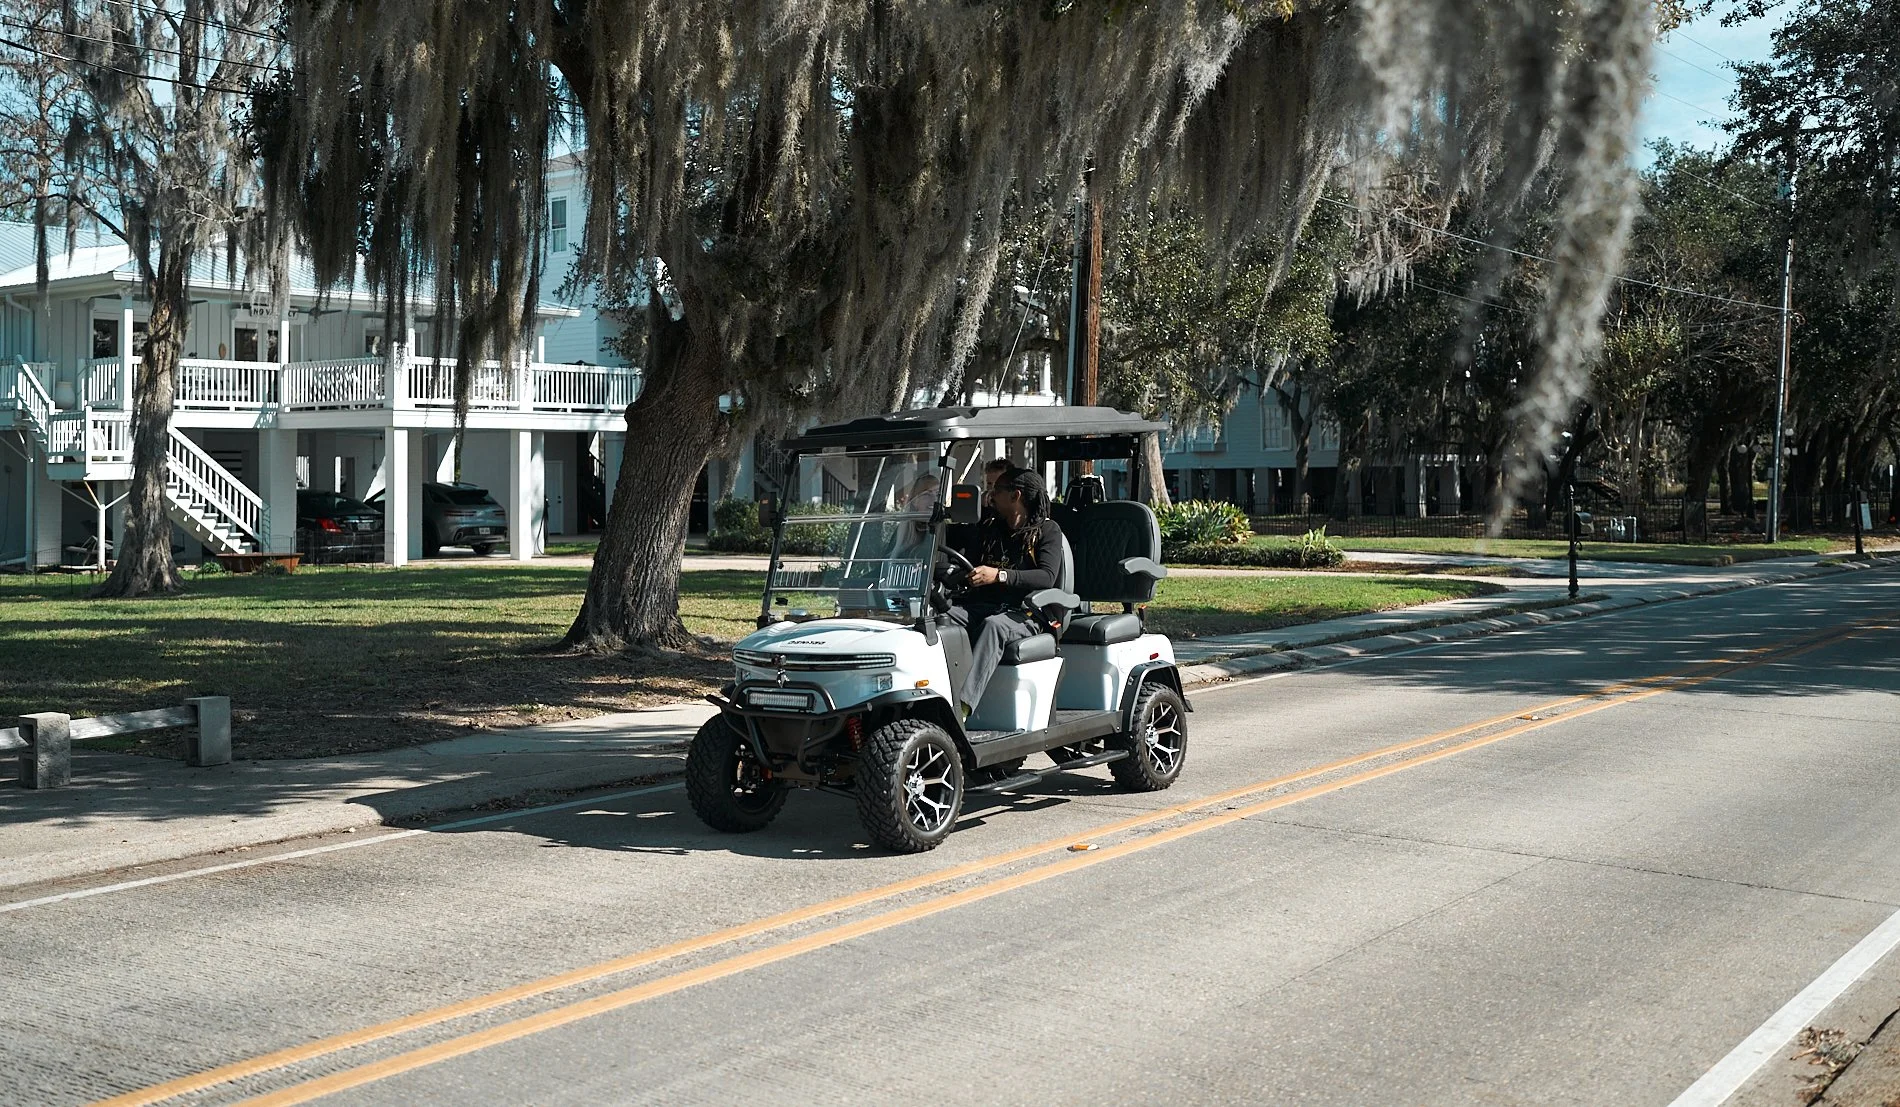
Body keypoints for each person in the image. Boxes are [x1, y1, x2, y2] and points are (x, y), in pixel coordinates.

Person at [946, 466, 1065, 719]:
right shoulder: (990, 526)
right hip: (983, 605)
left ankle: (961, 711)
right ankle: (935, 693)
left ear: (1015, 495)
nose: (991, 495)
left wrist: (999, 575)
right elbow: (958, 546)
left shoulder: (1047, 530)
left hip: (1027, 613)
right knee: (940, 618)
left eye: (997, 490)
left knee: (994, 627)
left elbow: (1047, 576)